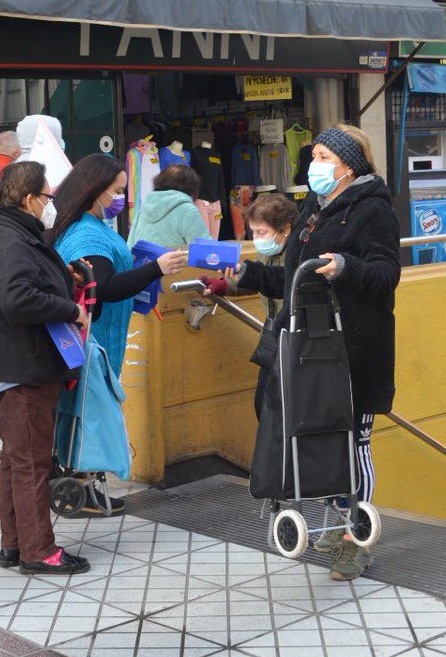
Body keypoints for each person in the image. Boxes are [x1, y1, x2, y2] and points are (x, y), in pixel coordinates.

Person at [228, 125, 399, 582]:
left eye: (323, 156)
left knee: (354, 441)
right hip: (306, 345)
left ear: (348, 165)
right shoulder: (313, 208)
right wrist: (247, 275)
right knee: (317, 435)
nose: (314, 164)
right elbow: (293, 280)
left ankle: (355, 539)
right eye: (315, 155)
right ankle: (336, 516)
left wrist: (345, 267)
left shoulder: (374, 209)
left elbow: (387, 273)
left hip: (354, 349)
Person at [46, 154, 188, 517]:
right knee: (88, 415)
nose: (120, 199)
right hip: (94, 342)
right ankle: (81, 489)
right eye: (116, 191)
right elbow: (104, 288)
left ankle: (83, 486)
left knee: (82, 412)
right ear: (94, 191)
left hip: (91, 340)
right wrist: (155, 268)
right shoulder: (87, 234)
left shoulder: (86, 225)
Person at [0, 161, 92, 575]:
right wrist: (71, 307)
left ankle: (14, 544)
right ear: (28, 199)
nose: (50, 204)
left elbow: (27, 284)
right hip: (23, 366)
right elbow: (19, 299)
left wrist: (65, 277)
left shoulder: (11, 233)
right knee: (31, 462)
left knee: (16, 459)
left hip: (18, 363)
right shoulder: (11, 241)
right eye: (47, 197)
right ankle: (39, 551)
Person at [205, 193, 299, 420]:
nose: (256, 239)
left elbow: (279, 282)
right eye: (253, 232)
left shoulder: (299, 254)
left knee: (285, 411)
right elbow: (260, 281)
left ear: (285, 229)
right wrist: (225, 286)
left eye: (262, 232)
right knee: (263, 405)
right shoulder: (269, 251)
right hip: (271, 337)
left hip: (295, 341)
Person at [126, 164, 212, 248]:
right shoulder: (187, 210)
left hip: (144, 262)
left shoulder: (144, 208)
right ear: (192, 186)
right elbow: (204, 249)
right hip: (175, 262)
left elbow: (130, 245)